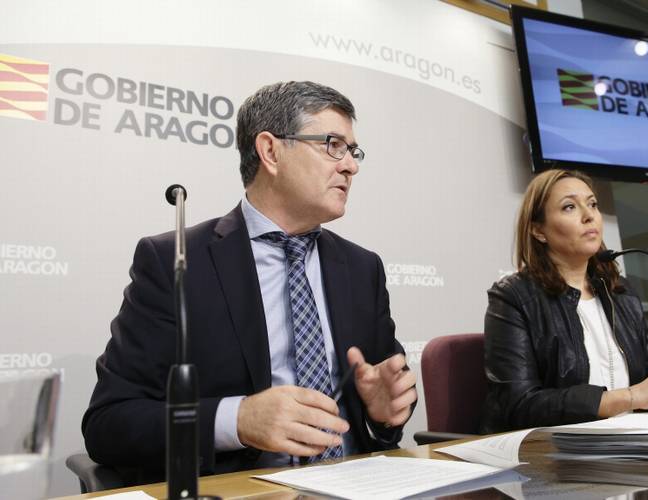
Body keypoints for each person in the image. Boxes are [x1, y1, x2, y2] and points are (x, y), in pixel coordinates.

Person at [82, 81, 417, 484]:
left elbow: (382, 405)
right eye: (333, 145)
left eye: (353, 151)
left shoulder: (363, 268)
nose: (351, 165)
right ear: (271, 151)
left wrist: (381, 415)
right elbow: (109, 423)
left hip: (358, 486)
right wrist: (237, 419)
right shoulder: (176, 262)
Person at [480, 169, 648, 433]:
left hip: (629, 440)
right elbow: (519, 405)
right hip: (555, 453)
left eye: (593, 204)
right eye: (570, 207)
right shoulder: (513, 298)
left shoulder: (620, 292)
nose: (589, 216)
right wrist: (632, 397)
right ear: (539, 230)